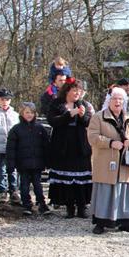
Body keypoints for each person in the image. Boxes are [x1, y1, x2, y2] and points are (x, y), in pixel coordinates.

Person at [87, 88, 129, 234]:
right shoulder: (98, 117)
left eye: (120, 99)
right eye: (114, 98)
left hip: (125, 164)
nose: (117, 101)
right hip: (106, 163)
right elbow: (92, 137)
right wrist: (110, 143)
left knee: (124, 192)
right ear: (109, 101)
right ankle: (101, 223)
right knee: (104, 192)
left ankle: (125, 222)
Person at [47, 78, 93, 218]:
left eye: (79, 91)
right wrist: (69, 114)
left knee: (81, 177)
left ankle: (82, 206)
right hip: (63, 146)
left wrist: (82, 116)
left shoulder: (84, 104)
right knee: (65, 177)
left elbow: (89, 123)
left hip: (80, 146)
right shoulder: (57, 104)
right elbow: (53, 121)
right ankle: (69, 207)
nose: (77, 93)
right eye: (74, 90)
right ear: (67, 90)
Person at [6, 102, 50, 215]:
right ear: (22, 113)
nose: (30, 115)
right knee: (24, 185)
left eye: (32, 112)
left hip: (37, 163)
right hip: (23, 164)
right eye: (27, 112)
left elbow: (46, 146)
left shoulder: (40, 128)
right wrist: (10, 165)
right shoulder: (16, 129)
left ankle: (42, 204)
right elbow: (11, 149)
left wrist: (48, 161)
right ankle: (27, 205)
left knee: (37, 184)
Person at [0, 88, 19, 205]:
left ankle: (14, 191)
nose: (5, 102)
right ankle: (3, 191)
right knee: (2, 170)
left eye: (7, 99)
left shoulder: (15, 115)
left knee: (13, 170)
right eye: (2, 99)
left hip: (13, 148)